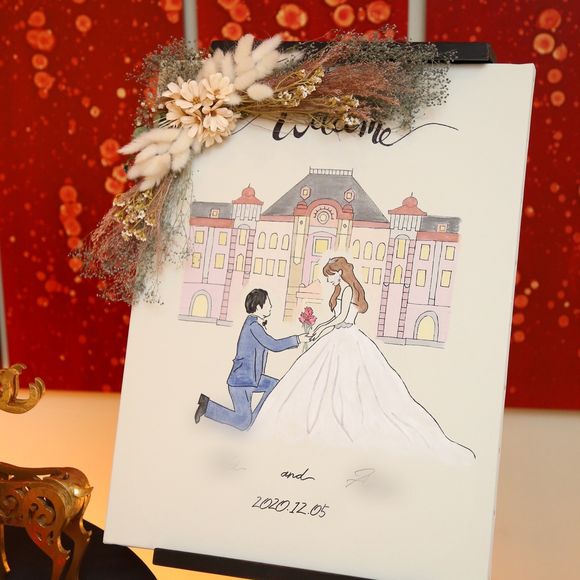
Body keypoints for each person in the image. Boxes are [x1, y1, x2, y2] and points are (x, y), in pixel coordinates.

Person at [254, 257, 475, 462]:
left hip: (344, 338)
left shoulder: (347, 291)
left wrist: (319, 329)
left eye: (330, 275)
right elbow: (336, 318)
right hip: (340, 336)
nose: (328, 280)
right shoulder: (343, 291)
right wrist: (321, 327)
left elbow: (341, 319)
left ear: (339, 272)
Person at [195, 289, 308, 430]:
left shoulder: (255, 324)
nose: (271, 307)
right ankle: (207, 407)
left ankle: (256, 418)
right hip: (241, 382)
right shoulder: (253, 326)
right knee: (243, 422)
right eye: (268, 304)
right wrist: (298, 339)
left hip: (253, 378)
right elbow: (273, 345)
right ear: (259, 307)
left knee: (275, 386)